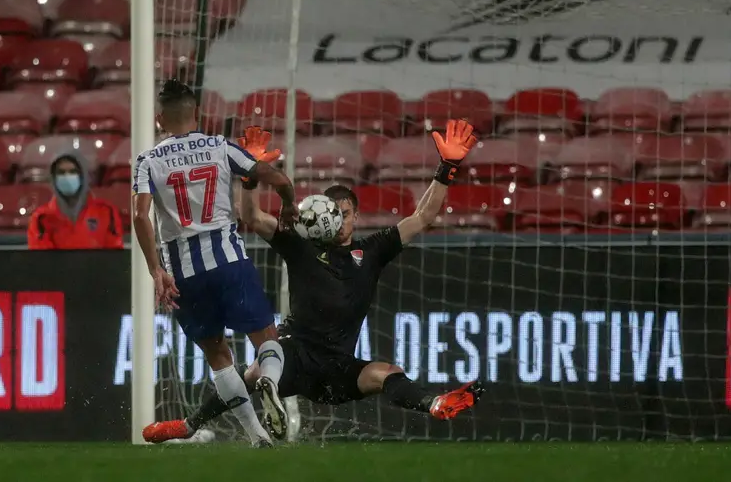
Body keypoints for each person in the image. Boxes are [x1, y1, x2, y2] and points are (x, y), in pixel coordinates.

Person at [142, 120, 483, 444]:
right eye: (331, 212)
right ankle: (192, 425)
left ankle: (435, 403)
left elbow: (422, 217)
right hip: (296, 353)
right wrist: (249, 178)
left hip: (337, 367)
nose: (337, 220)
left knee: (386, 372)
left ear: (355, 216)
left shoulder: (374, 250)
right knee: (255, 372)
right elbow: (252, 217)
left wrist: (446, 168)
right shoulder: (301, 246)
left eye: (344, 213)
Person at [133, 80, 299, 447]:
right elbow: (276, 177)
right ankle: (269, 380)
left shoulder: (147, 160)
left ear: (160, 119)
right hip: (228, 260)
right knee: (267, 340)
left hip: (184, 273)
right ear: (197, 114)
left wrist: (155, 269)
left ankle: (257, 437)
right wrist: (287, 201)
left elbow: (141, 217)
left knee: (218, 355)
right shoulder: (220, 146)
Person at [27, 150, 124, 250]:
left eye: (73, 172)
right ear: (53, 178)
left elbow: (114, 259)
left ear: (83, 176)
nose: (67, 177)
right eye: (61, 172)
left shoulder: (107, 212)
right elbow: (40, 261)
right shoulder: (41, 218)